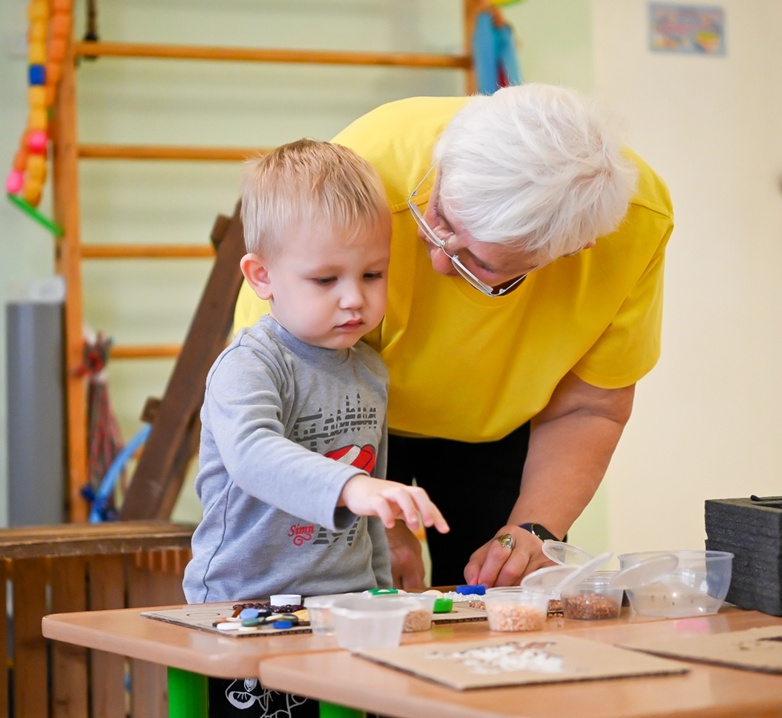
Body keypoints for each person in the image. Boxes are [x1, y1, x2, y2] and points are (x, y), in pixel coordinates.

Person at [234, 83, 674, 590]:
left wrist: (533, 530)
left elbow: (592, 407)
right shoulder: (363, 173)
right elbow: (288, 388)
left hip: (499, 428)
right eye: (438, 214)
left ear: (572, 249)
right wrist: (375, 528)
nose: (437, 257)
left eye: (479, 264)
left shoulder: (636, 225)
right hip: (336, 414)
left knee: (505, 596)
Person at [183, 138, 449, 717]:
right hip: (247, 607)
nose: (355, 299)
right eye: (326, 280)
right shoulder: (248, 365)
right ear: (262, 276)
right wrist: (351, 488)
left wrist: (382, 588)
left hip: (347, 609)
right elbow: (253, 455)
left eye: (372, 274)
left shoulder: (370, 370)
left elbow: (369, 503)